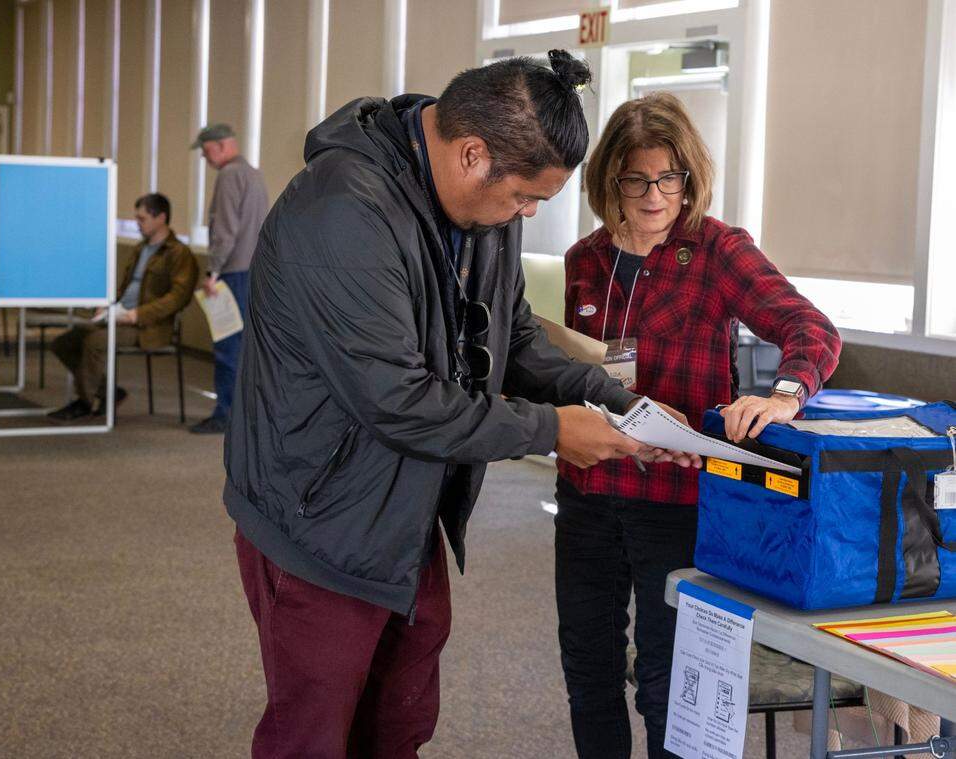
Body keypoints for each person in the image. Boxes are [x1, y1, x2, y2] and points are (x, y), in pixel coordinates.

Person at [223, 52, 701, 758]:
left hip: (405, 511)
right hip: (315, 519)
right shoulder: (343, 212)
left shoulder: (483, 208)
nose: (530, 214)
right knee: (313, 737)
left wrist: (617, 401)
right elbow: (399, 400)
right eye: (524, 198)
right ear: (473, 154)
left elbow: (512, 340)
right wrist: (551, 430)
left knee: (398, 723)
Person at [555, 91, 842, 758]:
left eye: (669, 177)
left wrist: (786, 394)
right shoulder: (584, 261)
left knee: (666, 679)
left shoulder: (717, 251)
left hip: (675, 501)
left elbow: (811, 329)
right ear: (611, 181)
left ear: (688, 176)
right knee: (588, 668)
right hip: (589, 489)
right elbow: (572, 368)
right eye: (637, 178)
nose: (655, 195)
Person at [48, 193, 197, 420]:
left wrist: (138, 315)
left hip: (148, 326)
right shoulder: (140, 249)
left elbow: (177, 297)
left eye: (142, 218)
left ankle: (85, 402)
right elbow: (125, 288)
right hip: (120, 316)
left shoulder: (179, 254)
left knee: (95, 342)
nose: (137, 224)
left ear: (161, 218)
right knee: (65, 342)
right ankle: (109, 393)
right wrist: (108, 306)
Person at [188, 123, 269, 434]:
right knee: (247, 347)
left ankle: (226, 414)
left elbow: (225, 230)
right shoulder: (254, 174)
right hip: (254, 270)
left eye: (206, 151)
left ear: (221, 146)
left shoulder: (229, 175)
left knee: (227, 346)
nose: (205, 159)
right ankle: (246, 415)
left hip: (233, 273)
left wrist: (213, 272)